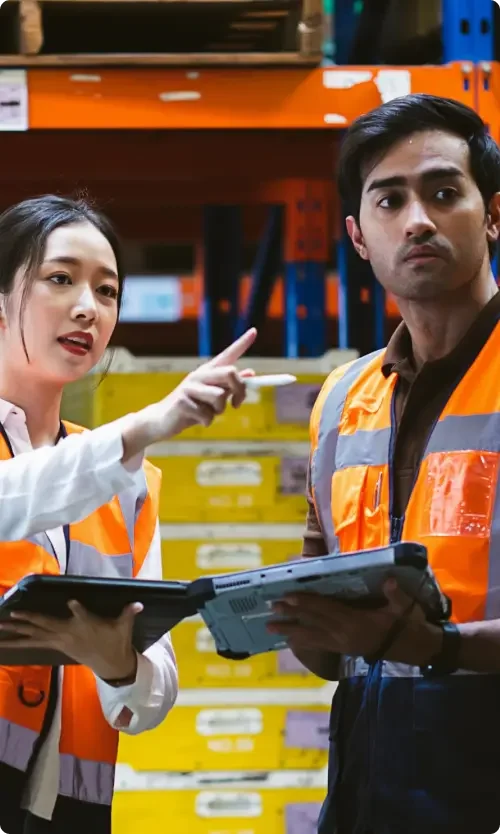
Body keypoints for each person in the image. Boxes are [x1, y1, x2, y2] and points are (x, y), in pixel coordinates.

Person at [267, 94, 500, 834]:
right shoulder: (341, 398)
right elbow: (331, 650)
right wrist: (290, 617)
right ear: (358, 238)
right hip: (372, 783)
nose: (418, 219)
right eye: (389, 199)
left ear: (493, 213)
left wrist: (436, 647)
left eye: (442, 192)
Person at [0, 194, 257, 834]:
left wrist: (118, 665)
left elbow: (154, 691)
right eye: (60, 279)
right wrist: (145, 426)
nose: (89, 307)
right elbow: (15, 495)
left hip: (72, 813)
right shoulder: (116, 459)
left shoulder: (129, 483)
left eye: (107, 291)